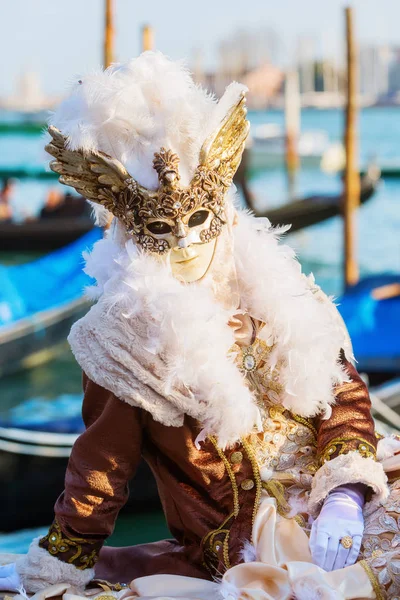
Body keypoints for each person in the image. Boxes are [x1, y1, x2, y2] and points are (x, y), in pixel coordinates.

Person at [2, 52, 400, 600]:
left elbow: (345, 398)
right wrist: (57, 568)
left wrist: (347, 493)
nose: (187, 244)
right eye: (164, 228)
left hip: (353, 495)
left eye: (197, 221)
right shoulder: (123, 344)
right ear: (133, 231)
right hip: (256, 541)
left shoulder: (282, 291)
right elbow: (99, 473)